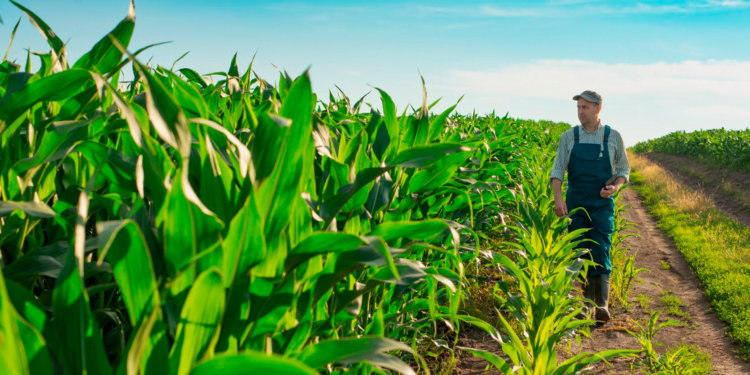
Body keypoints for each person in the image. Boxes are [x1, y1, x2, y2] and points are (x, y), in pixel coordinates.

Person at [549, 90, 630, 324]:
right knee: (580, 251)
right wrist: (557, 198)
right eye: (578, 108)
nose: (580, 112)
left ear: (597, 109)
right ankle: (586, 305)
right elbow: (557, 170)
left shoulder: (612, 136)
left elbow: (623, 171)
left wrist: (615, 188)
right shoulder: (569, 137)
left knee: (602, 247)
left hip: (602, 204)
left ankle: (602, 304)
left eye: (584, 107)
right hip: (576, 202)